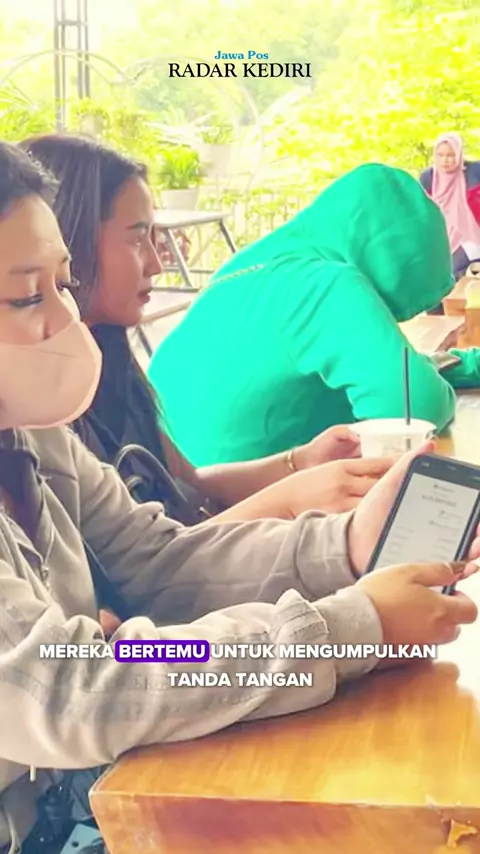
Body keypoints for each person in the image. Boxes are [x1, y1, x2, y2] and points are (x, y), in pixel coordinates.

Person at [0, 140, 477, 854]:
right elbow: (73, 689)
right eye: (26, 297)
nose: (64, 322)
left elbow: (161, 562)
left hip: (79, 797)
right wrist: (351, 627)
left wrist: (342, 544)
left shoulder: (33, 435)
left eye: (63, 285)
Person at [19, 133, 393, 527]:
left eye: (153, 238)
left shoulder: (108, 360)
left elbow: (188, 483)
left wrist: (301, 462)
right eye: (137, 238)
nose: (156, 263)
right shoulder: (41, 415)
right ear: (69, 239)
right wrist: (290, 499)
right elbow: (143, 555)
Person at [147, 164, 480, 467]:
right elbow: (411, 408)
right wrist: (430, 380)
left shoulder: (248, 268)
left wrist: (448, 366)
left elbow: (390, 370)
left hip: (166, 485)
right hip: (230, 505)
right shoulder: (327, 284)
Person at [420, 133, 480, 282]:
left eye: (451, 155)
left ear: (459, 154)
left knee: (449, 274)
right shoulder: (428, 177)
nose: (445, 160)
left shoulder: (473, 172)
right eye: (440, 155)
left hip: (472, 238)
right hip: (441, 239)